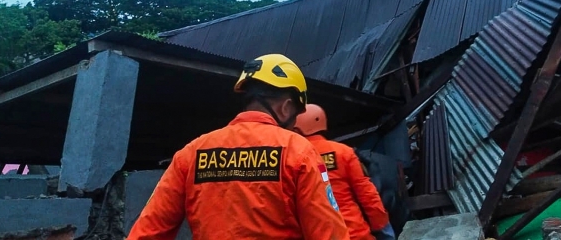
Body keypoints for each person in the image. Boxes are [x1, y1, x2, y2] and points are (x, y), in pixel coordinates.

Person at [128, 54, 350, 240]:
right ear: (286, 107)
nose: (294, 124)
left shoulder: (192, 152)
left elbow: (148, 231)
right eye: (296, 115)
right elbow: (329, 233)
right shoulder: (299, 151)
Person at [294, 104, 395, 240]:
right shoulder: (343, 152)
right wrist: (381, 226)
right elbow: (367, 194)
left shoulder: (294, 157)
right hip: (356, 234)